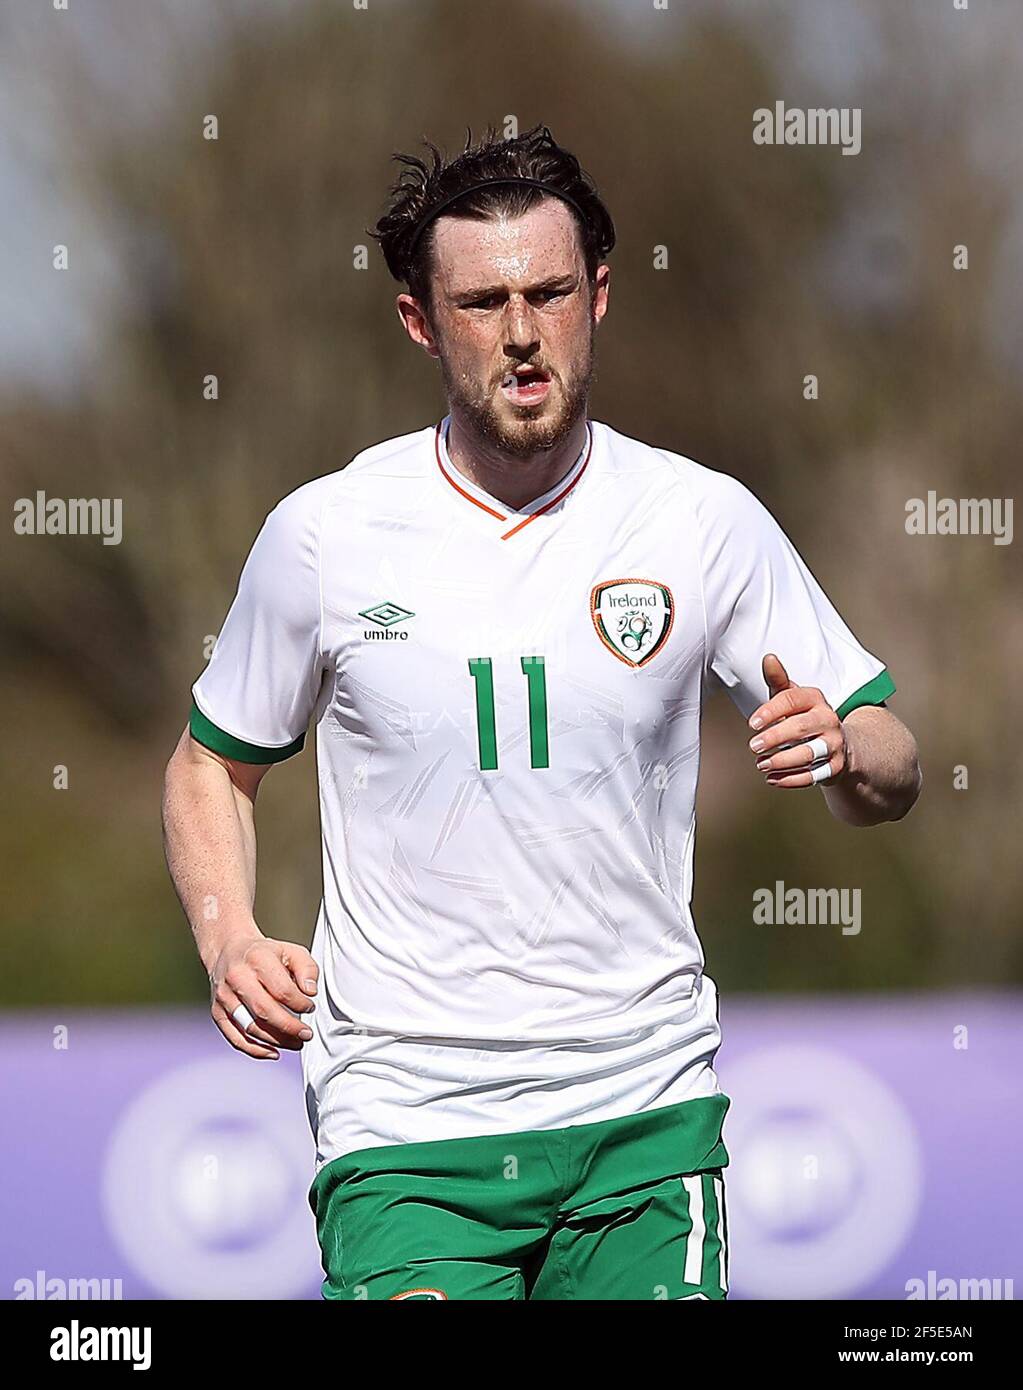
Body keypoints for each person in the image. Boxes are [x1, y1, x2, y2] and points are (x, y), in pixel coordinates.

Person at [162, 124, 922, 1301]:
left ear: (599, 295)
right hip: (407, 1125)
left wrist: (843, 748)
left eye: (550, 292)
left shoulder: (701, 520)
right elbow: (212, 763)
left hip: (643, 1113)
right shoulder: (324, 533)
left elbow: (892, 757)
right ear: (421, 320)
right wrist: (228, 939)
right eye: (481, 301)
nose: (521, 334)